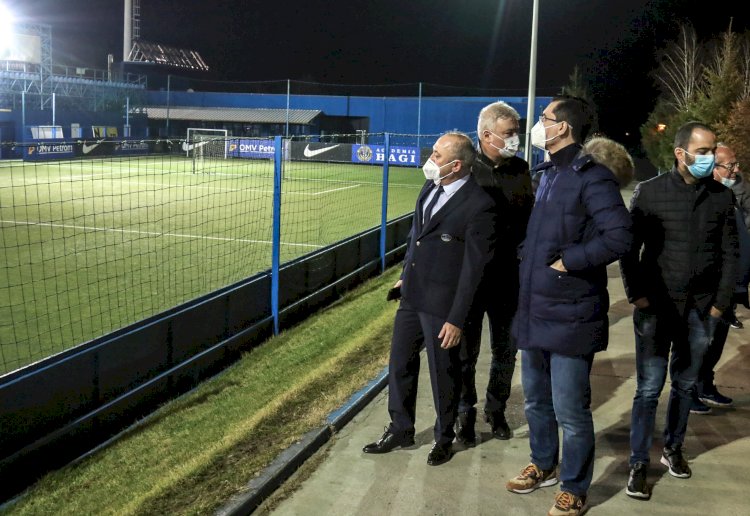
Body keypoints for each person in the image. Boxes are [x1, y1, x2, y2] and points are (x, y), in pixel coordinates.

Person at [505, 95, 632, 516]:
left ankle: (575, 487)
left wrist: (568, 262)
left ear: (563, 128)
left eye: (544, 119)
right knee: (536, 402)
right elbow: (543, 235)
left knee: (571, 411)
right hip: (535, 307)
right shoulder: (548, 174)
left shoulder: (591, 177)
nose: (538, 125)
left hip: (571, 312)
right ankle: (543, 464)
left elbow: (619, 237)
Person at [362, 131, 497, 466]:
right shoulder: (429, 188)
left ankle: (444, 437)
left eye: (437, 155)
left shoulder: (480, 206)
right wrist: (406, 273)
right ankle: (400, 430)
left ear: (456, 165)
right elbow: (416, 238)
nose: (430, 159)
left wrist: (457, 318)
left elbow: (474, 270)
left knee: (443, 373)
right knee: (400, 364)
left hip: (444, 306)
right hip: (412, 295)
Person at [620, 122, 738, 500]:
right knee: (649, 389)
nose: (708, 158)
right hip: (656, 308)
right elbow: (628, 249)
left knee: (685, 385)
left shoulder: (721, 197)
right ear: (680, 153)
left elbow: (730, 254)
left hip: (701, 311)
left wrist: (720, 304)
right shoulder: (649, 193)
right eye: (702, 151)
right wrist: (637, 295)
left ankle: (673, 448)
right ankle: (639, 461)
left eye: (711, 150)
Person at [455, 101, 533, 444]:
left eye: (516, 132)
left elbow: (529, 219)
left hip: (510, 280)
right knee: (465, 354)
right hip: (470, 279)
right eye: (509, 133)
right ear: (486, 135)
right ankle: (464, 413)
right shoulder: (465, 170)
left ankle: (496, 410)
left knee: (506, 351)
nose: (515, 138)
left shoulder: (521, 169)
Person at [690, 143, 749, 413]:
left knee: (716, 343)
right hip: (710, 287)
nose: (735, 170)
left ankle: (705, 384)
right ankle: (689, 389)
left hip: (731, 286)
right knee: (701, 343)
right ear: (713, 169)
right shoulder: (706, 199)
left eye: (736, 164)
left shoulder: (734, 194)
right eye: (730, 165)